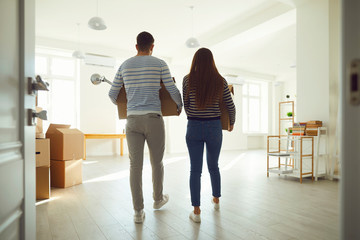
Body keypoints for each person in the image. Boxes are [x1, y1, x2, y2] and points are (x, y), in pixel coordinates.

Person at [108, 31, 183, 224]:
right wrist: (179, 105)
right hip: (153, 119)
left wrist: (129, 100)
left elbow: (112, 94)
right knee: (156, 163)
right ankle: (158, 200)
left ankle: (138, 212)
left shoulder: (124, 65)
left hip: (132, 120)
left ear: (136, 46)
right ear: (152, 47)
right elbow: (172, 88)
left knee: (135, 166)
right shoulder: (159, 63)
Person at [183, 48, 235, 223]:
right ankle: (216, 200)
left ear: (195, 60)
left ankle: (196, 211)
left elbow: (186, 105)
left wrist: (196, 114)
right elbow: (230, 106)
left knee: (195, 170)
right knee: (214, 166)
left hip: (194, 126)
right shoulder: (220, 81)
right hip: (214, 127)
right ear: (211, 61)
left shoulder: (187, 80)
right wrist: (231, 122)